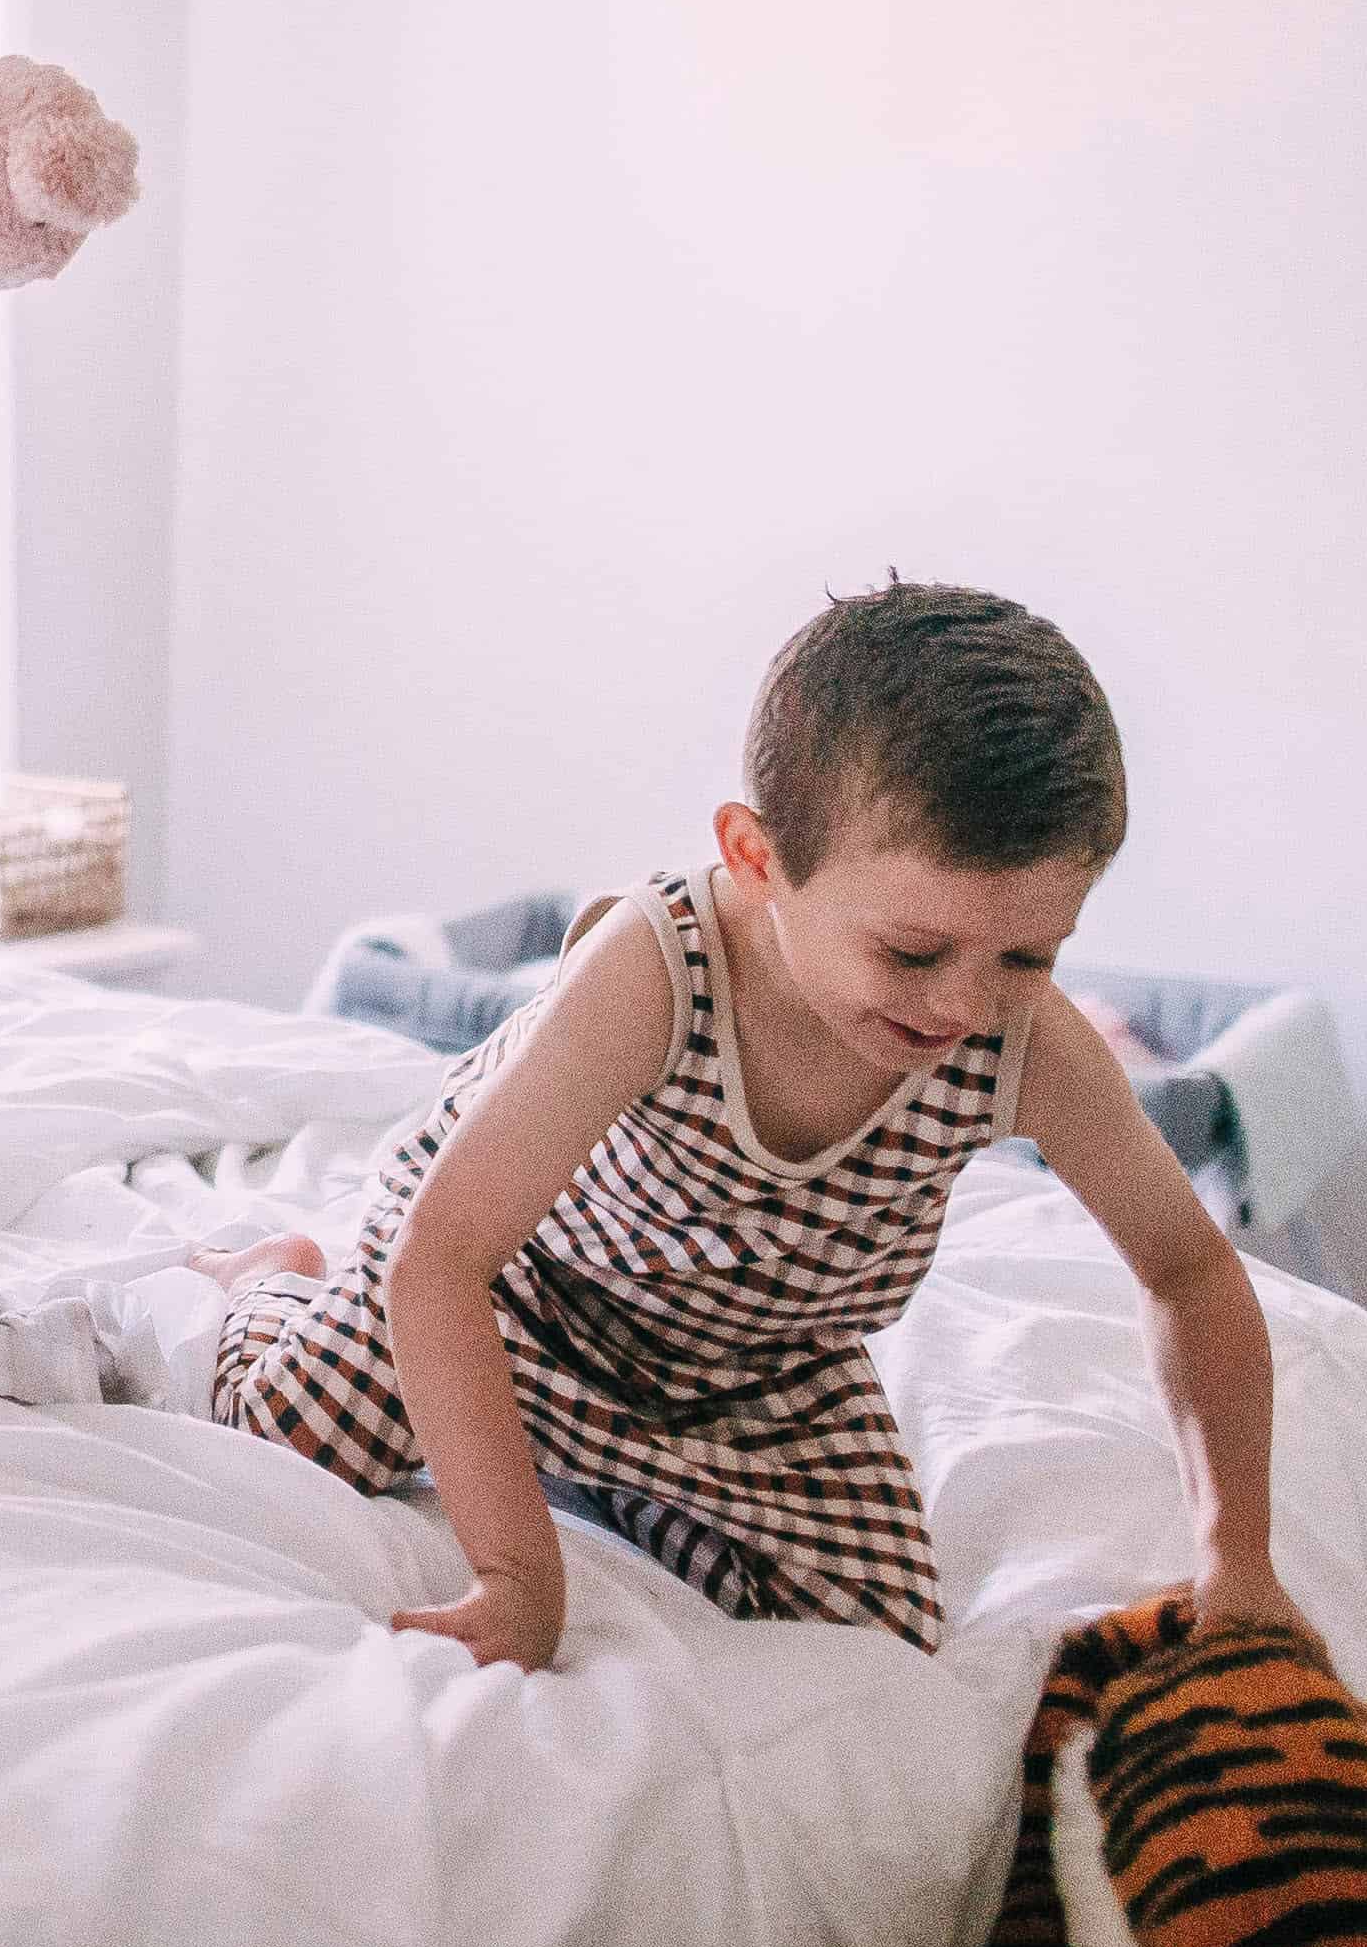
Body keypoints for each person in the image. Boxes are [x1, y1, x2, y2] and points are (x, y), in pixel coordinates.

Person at [203, 580, 1299, 1670]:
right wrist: (516, 1573)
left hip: (759, 1368)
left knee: (878, 1639)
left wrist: (1234, 1551)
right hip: (519, 1293)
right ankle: (275, 1276)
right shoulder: (654, 970)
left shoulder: (1028, 1049)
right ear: (755, 857)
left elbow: (1187, 1266)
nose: (963, 1007)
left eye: (1026, 956)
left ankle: (602, 1469)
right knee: (282, 1429)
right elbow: (441, 1257)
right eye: (911, 953)